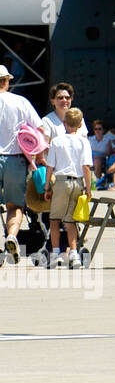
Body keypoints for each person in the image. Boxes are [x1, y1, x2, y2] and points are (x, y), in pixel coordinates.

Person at [1, 64, 42, 263]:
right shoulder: (20, 101)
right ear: (7, 81)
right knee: (14, 206)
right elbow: (40, 128)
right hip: (15, 160)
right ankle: (11, 236)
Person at [45, 107, 94, 268]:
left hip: (60, 182)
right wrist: (88, 188)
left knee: (54, 219)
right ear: (80, 125)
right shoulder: (84, 141)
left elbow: (50, 167)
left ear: (64, 123)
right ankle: (74, 254)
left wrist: (47, 188)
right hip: (77, 182)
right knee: (71, 220)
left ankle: (56, 253)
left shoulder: (57, 141)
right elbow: (86, 167)